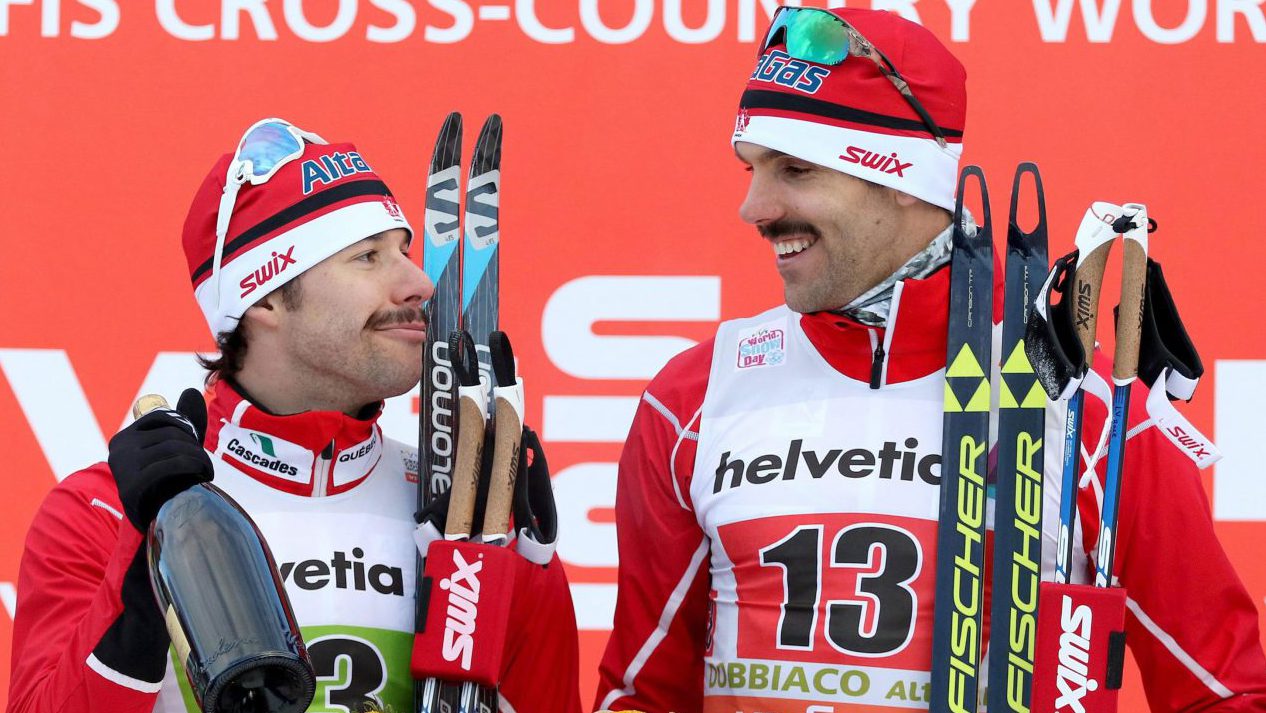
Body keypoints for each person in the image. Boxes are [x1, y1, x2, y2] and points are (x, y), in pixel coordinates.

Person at [595, 8, 1266, 712]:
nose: (754, 206)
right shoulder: (694, 399)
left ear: (901, 177)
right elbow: (641, 692)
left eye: (794, 169)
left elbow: (1225, 692)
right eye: (752, 167)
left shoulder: (1088, 411)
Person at [8, 119, 582, 713]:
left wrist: (526, 572)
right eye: (367, 257)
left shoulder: (455, 504)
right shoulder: (105, 511)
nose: (419, 283)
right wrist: (139, 564)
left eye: (405, 251)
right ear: (264, 298)